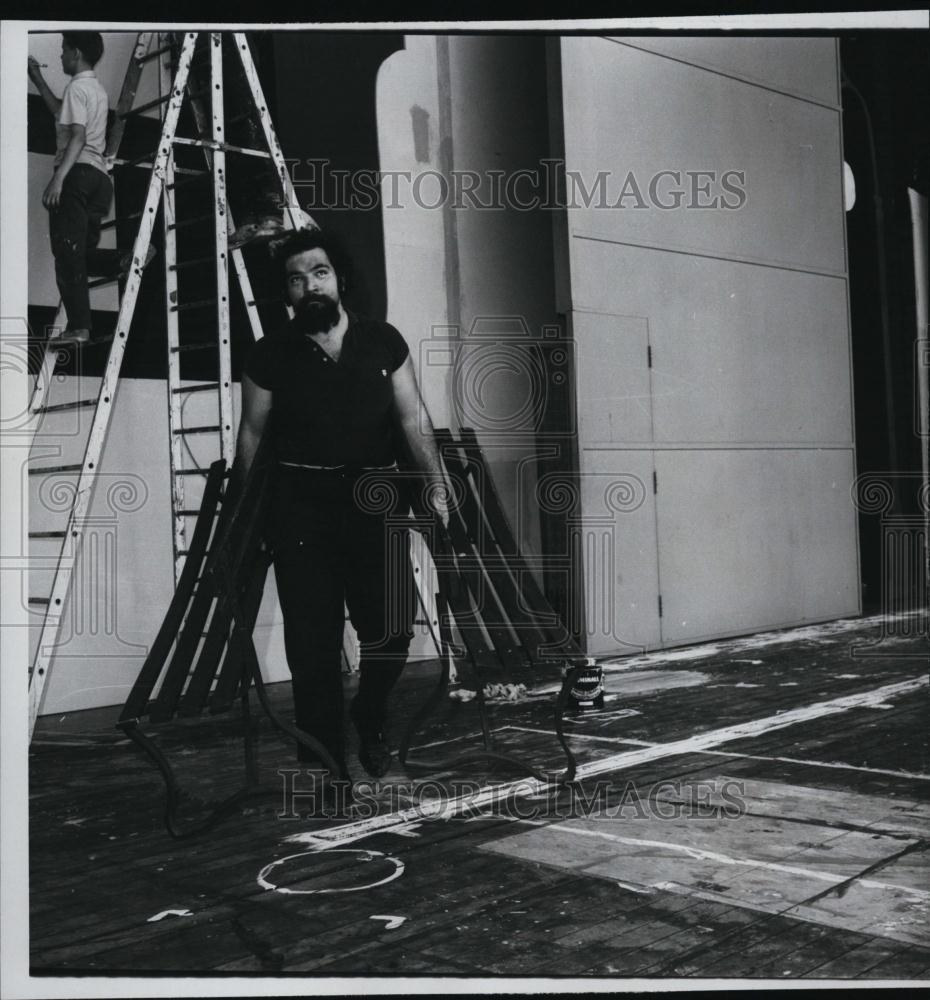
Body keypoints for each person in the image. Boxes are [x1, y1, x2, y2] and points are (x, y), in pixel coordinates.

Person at [235, 227, 448, 781]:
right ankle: (323, 761)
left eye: (320, 273)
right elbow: (251, 437)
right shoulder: (269, 355)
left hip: (373, 503)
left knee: (394, 630)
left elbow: (413, 419)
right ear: (286, 292)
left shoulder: (383, 342)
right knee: (312, 646)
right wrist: (249, 513)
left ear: (340, 279)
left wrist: (437, 483)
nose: (310, 286)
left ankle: (370, 712)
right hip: (299, 509)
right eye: (296, 279)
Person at [28, 33, 153, 346]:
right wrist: (38, 79)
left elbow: (78, 136)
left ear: (76, 53)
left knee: (67, 255)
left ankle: (80, 328)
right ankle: (126, 258)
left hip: (77, 176)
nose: (60, 57)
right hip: (98, 182)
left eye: (63, 51)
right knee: (78, 255)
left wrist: (58, 178)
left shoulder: (77, 88)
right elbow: (61, 113)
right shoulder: (94, 90)